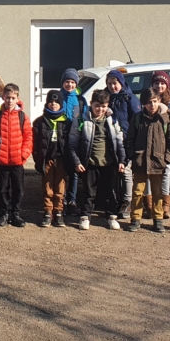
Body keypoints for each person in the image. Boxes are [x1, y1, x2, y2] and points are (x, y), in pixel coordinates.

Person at [68, 90, 126, 231]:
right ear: (91, 104)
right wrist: (77, 162)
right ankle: (85, 217)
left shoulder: (112, 120)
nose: (100, 109)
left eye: (104, 106)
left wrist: (122, 160)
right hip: (90, 163)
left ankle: (111, 217)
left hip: (108, 163)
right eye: (97, 106)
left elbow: (119, 142)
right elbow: (72, 143)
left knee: (109, 192)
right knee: (89, 192)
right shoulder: (81, 120)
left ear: (108, 105)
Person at [125, 87, 170, 233]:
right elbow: (130, 139)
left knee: (157, 193)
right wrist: (132, 156)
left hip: (158, 162)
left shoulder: (164, 119)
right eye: (148, 102)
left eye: (154, 101)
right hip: (140, 162)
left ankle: (158, 219)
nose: (152, 105)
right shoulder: (137, 118)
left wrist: (166, 158)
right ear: (143, 104)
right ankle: (135, 219)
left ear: (159, 101)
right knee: (137, 192)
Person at [104, 70, 142, 221]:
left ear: (121, 83)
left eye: (115, 83)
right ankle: (116, 200)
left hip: (126, 140)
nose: (112, 87)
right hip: (110, 139)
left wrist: (132, 139)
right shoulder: (107, 98)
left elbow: (137, 120)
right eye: (109, 84)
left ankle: (127, 201)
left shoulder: (130, 98)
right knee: (114, 171)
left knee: (126, 171)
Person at [0, 83, 33, 228]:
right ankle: (3, 214)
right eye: (7, 97)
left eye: (13, 98)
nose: (10, 100)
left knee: (18, 189)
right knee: (2, 189)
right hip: (2, 161)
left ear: (17, 98)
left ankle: (15, 213)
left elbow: (28, 137)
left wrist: (23, 155)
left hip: (17, 161)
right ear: (3, 97)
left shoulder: (23, 117)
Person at [32, 89, 72, 228]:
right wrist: (37, 157)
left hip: (61, 159)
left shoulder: (67, 122)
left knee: (60, 186)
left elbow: (71, 142)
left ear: (61, 104)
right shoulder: (39, 122)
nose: (53, 104)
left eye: (56, 102)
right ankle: (48, 212)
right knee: (47, 186)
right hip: (46, 158)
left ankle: (59, 211)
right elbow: (35, 142)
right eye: (50, 101)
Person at [150, 71, 170, 221]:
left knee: (166, 171)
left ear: (167, 85)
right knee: (150, 173)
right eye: (157, 83)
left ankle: (165, 206)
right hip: (151, 141)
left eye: (163, 83)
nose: (159, 86)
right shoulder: (149, 99)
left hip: (167, 142)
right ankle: (150, 206)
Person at [59, 68, 86, 219]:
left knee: (74, 172)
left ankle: (72, 201)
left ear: (76, 84)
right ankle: (61, 200)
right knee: (62, 171)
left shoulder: (80, 100)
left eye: (72, 82)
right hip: (61, 138)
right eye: (67, 82)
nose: (69, 85)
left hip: (76, 139)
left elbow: (85, 117)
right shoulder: (58, 97)